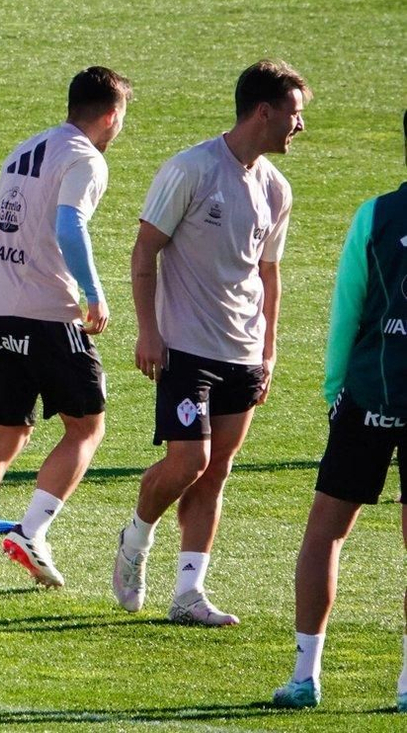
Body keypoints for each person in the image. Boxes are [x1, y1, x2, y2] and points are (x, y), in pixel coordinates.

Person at [112, 60, 310, 625]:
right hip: (186, 346)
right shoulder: (191, 169)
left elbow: (268, 273)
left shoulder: (276, 188)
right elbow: (145, 249)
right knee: (189, 461)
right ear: (264, 111)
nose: (300, 126)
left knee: (216, 469)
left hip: (243, 350)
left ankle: (189, 592)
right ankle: (136, 537)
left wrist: (268, 349)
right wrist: (148, 330)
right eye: (294, 114)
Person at [0, 67, 131, 589]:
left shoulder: (25, 150)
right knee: (87, 425)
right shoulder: (86, 159)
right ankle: (31, 532)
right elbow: (69, 224)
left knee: (7, 433)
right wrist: (93, 292)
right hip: (49, 312)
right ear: (110, 115)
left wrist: (19, 267)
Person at [271, 111, 407, 710]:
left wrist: (335, 392)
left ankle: (305, 676)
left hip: (368, 395)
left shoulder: (376, 215)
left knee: (326, 532)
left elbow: (347, 309)